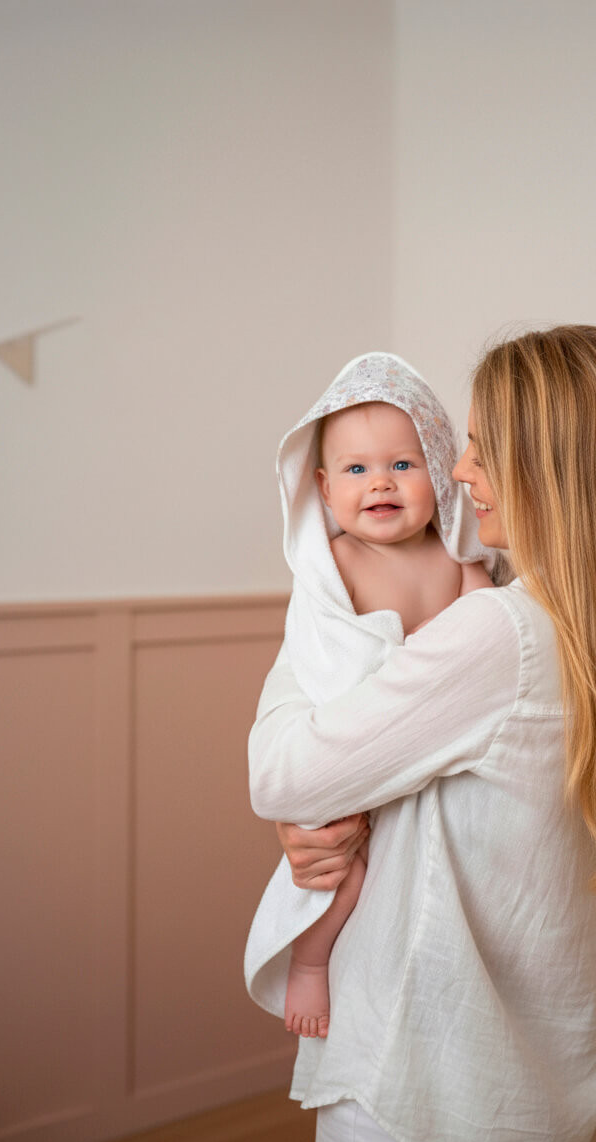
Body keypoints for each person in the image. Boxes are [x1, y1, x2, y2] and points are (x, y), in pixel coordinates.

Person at [248, 326, 596, 1142]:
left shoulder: (499, 634)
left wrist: (308, 636)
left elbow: (283, 773)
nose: (461, 471)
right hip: (541, 1106)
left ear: (552, 469)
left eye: (481, 447)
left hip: (425, 1110)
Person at [243, 352, 494, 1041]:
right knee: (344, 879)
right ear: (324, 489)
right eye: (356, 470)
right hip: (360, 753)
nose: (380, 482)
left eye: (402, 465)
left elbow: (486, 639)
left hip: (436, 754)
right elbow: (321, 656)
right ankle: (311, 961)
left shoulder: (459, 563)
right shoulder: (336, 566)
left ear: (438, 471)